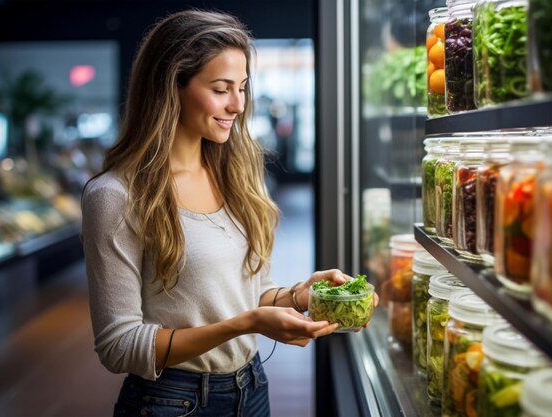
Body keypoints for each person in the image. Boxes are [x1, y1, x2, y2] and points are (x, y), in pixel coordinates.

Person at [81, 9, 375, 417]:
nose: (238, 105)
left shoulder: (239, 172)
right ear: (172, 87)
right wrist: (246, 324)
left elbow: (244, 294)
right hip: (170, 401)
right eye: (221, 89)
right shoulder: (115, 195)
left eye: (243, 88)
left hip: (251, 388)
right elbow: (119, 346)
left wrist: (298, 296)